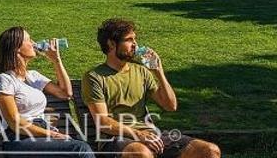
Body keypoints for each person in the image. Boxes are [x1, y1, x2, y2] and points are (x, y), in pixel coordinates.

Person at [82, 19, 220, 158]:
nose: (135, 44)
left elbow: (170, 106)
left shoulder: (141, 71)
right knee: (142, 154)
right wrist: (138, 135)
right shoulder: (95, 77)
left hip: (151, 134)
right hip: (116, 138)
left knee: (210, 150)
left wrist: (158, 72)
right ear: (111, 44)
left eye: (135, 39)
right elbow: (103, 122)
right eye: (129, 40)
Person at [0, 26, 94, 158]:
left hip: (41, 135)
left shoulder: (33, 76)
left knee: (79, 148)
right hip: (20, 139)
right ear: (16, 48)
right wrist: (53, 134)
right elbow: (14, 123)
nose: (34, 43)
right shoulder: (5, 79)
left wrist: (56, 60)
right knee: (80, 149)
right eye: (29, 40)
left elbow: (66, 93)